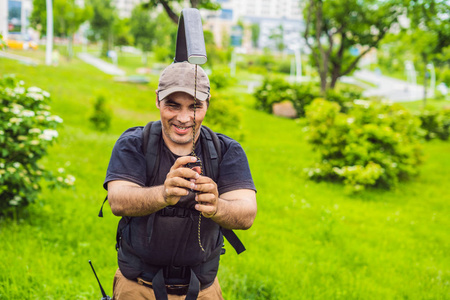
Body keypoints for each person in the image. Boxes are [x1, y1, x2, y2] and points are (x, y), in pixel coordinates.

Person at [104, 61, 257, 300]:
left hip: (203, 289)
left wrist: (217, 207)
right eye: (173, 106)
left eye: (194, 107)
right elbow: (117, 200)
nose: (184, 118)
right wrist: (163, 195)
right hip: (137, 287)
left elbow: (247, 213)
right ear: (157, 100)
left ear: (208, 104)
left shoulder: (227, 150)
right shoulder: (134, 143)